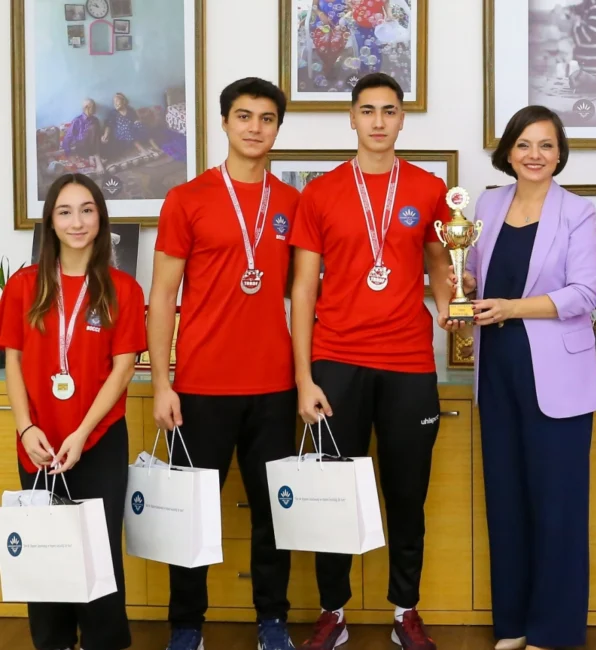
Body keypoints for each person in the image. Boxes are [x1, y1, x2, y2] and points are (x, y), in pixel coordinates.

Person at [289, 71, 454, 650]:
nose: (379, 121)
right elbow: (303, 289)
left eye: (389, 111)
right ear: (352, 118)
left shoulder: (429, 188)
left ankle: (405, 610)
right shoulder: (322, 192)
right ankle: (332, 612)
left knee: (408, 494)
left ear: (402, 119)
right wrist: (304, 376)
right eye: (368, 111)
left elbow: (438, 262)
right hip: (336, 361)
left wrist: (447, 307)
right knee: (333, 495)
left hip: (408, 361)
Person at [150, 77, 299, 650]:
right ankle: (187, 627)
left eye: (265, 118)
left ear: (277, 128)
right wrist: (163, 381)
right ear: (224, 122)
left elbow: (307, 293)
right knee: (192, 515)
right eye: (244, 116)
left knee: (273, 518)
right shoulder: (186, 199)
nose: (254, 127)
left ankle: (273, 622)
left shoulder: (291, 204)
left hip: (273, 386)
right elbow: (163, 296)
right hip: (200, 388)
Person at [455, 105, 596, 650]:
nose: (534, 155)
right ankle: (512, 626)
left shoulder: (579, 212)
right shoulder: (488, 204)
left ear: (559, 152)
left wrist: (512, 308)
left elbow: (585, 294)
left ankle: (553, 630)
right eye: (524, 144)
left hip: (557, 378)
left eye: (545, 145)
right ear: (508, 152)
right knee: (507, 501)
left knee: (557, 506)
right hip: (497, 370)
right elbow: (474, 278)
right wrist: (463, 293)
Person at [0, 173, 146, 650]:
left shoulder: (122, 287)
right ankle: (54, 642)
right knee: (46, 553)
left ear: (101, 219)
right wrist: (25, 429)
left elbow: (123, 368)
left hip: (98, 440)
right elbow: (14, 362)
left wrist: (83, 433)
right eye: (65, 211)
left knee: (97, 551)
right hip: (38, 444)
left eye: (87, 210)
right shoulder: (23, 285)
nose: (77, 221)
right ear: (51, 222)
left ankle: (103, 641)